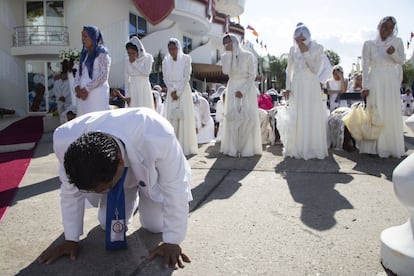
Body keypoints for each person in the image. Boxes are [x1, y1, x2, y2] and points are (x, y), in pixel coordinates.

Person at [37, 108, 192, 269]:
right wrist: (71, 238)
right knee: (106, 224)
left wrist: (173, 240)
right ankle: (129, 196)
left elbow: (175, 187)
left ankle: (142, 198)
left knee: (154, 226)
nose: (100, 193)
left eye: (105, 188)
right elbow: (69, 193)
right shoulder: (65, 140)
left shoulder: (157, 133)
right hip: (120, 178)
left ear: (120, 162)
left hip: (155, 177)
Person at [277, 23, 328, 160]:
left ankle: (311, 147)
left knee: (310, 113)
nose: (299, 42)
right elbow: (289, 70)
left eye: (302, 39)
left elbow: (315, 69)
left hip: (311, 85)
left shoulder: (317, 48)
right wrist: (287, 87)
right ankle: (297, 147)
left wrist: (305, 52)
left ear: (308, 37)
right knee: (297, 115)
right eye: (296, 40)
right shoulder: (292, 50)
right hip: (297, 85)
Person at [357, 16, 405, 158]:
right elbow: (365, 66)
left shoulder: (397, 41)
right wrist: (365, 86)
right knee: (375, 110)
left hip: (390, 81)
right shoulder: (369, 44)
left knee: (389, 110)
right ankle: (373, 146)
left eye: (390, 27)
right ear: (379, 26)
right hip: (375, 80)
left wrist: (394, 54)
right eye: (385, 26)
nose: (387, 30)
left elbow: (401, 61)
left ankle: (389, 145)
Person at [220, 34, 262, 157]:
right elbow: (226, 72)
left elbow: (252, 75)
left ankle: (247, 148)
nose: (226, 46)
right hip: (232, 86)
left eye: (228, 43)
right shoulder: (225, 57)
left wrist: (243, 90)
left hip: (247, 88)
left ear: (234, 42)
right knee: (233, 116)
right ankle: (232, 148)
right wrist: (228, 55)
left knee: (247, 116)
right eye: (224, 44)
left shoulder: (248, 56)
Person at [162, 38, 197, 156]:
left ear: (178, 48)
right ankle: (172, 145)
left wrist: (178, 92)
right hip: (171, 92)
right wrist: (172, 90)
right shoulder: (165, 60)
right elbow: (165, 77)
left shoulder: (186, 59)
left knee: (183, 117)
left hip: (183, 91)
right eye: (170, 49)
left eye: (174, 49)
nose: (172, 51)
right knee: (171, 117)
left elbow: (186, 76)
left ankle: (184, 145)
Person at [74, 25, 111, 116]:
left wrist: (87, 89)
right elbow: (79, 73)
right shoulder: (84, 55)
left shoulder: (102, 54)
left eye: (85, 36)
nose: (83, 39)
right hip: (83, 95)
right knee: (83, 121)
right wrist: (77, 87)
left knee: (96, 121)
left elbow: (103, 75)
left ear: (93, 37)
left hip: (96, 94)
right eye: (82, 36)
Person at [124, 36, 155, 109]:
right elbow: (126, 78)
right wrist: (127, 95)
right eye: (129, 53)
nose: (130, 55)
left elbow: (146, 72)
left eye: (133, 53)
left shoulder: (148, 57)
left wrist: (134, 63)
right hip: (133, 88)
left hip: (143, 87)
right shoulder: (126, 60)